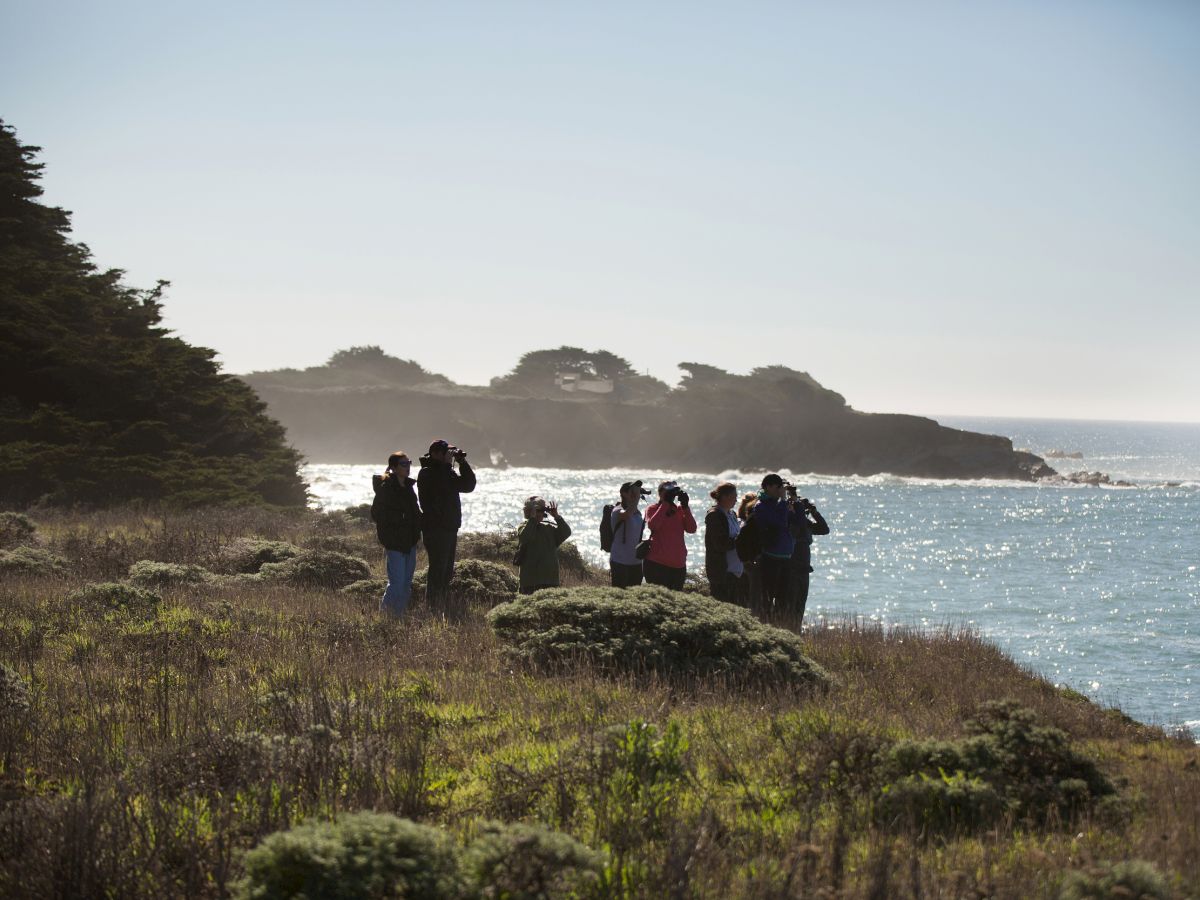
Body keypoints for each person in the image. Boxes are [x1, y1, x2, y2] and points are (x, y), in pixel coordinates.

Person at [416, 439, 476, 611]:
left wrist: (462, 463)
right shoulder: (427, 473)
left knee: (447, 571)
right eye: (446, 453)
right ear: (435, 454)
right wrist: (447, 466)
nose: (449, 456)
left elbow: (468, 485)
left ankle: (441, 604)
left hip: (449, 528)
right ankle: (433, 605)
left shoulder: (446, 472)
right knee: (438, 569)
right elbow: (438, 488)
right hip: (435, 528)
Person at [753, 473, 805, 614]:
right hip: (770, 557)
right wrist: (782, 501)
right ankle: (766, 624)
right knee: (768, 598)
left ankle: (779, 626)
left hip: (785, 558)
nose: (781, 490)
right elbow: (780, 523)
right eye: (778, 487)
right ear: (768, 487)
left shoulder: (781, 505)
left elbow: (800, 521)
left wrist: (795, 500)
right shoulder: (761, 505)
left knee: (784, 600)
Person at [785, 484, 830, 624]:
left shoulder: (806, 523)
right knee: (789, 606)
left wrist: (813, 511)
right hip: (791, 569)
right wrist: (795, 509)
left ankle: (795, 631)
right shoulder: (788, 520)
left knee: (799, 606)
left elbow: (824, 529)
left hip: (804, 569)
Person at [642, 480, 697, 590]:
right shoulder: (653, 509)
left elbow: (692, 529)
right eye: (668, 492)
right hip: (657, 564)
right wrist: (665, 503)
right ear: (660, 493)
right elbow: (653, 525)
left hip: (678, 565)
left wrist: (685, 506)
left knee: (673, 603)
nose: (671, 495)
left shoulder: (680, 510)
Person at [516, 496, 572, 594]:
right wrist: (533, 519)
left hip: (550, 580)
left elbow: (566, 532)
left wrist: (557, 517)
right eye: (537, 511)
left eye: (541, 511)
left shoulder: (548, 529)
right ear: (529, 512)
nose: (540, 513)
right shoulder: (523, 527)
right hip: (530, 582)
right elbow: (525, 537)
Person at [704, 482, 744, 604]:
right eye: (734, 496)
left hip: (735, 571)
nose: (736, 500)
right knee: (722, 604)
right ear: (725, 497)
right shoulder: (715, 515)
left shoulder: (732, 514)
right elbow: (720, 544)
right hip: (722, 571)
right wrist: (740, 541)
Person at [609, 480, 649, 587]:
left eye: (636, 491)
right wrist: (636, 499)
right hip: (620, 561)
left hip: (636, 562)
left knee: (633, 598)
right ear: (623, 494)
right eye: (631, 491)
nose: (634, 494)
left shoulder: (638, 513)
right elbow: (626, 515)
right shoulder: (617, 510)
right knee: (619, 597)